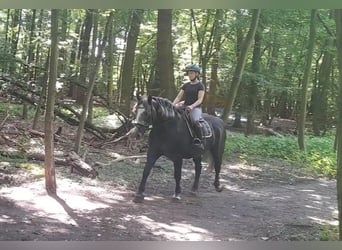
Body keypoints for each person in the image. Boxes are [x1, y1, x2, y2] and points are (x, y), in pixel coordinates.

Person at [173, 64, 205, 152]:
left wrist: (192, 106)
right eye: (189, 73)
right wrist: (172, 105)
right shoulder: (186, 85)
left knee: (195, 121)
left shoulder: (200, 86)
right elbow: (179, 97)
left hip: (195, 108)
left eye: (192, 73)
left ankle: (198, 141)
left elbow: (200, 99)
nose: (190, 75)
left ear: (197, 74)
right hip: (184, 107)